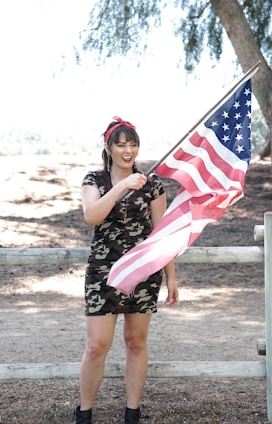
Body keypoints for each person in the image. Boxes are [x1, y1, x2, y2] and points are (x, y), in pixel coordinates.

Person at [75, 117, 179, 424]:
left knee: (136, 341)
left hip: (143, 272)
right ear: (108, 147)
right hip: (104, 272)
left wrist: (171, 277)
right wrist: (121, 185)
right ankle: (84, 412)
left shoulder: (152, 185)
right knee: (96, 346)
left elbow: (162, 234)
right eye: (121, 144)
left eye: (133, 144)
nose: (128, 150)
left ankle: (132, 412)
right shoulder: (94, 181)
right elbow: (92, 216)